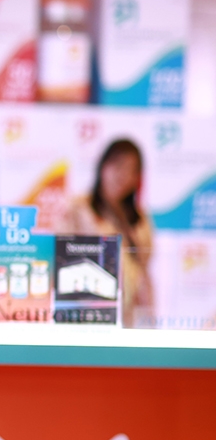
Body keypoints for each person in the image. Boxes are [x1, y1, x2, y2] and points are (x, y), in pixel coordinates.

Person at [63, 138, 154, 327]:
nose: (123, 175)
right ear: (103, 166)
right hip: (84, 316)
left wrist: (149, 316)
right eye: (118, 166)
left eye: (131, 170)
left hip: (128, 319)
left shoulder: (139, 219)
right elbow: (61, 258)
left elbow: (145, 270)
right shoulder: (78, 209)